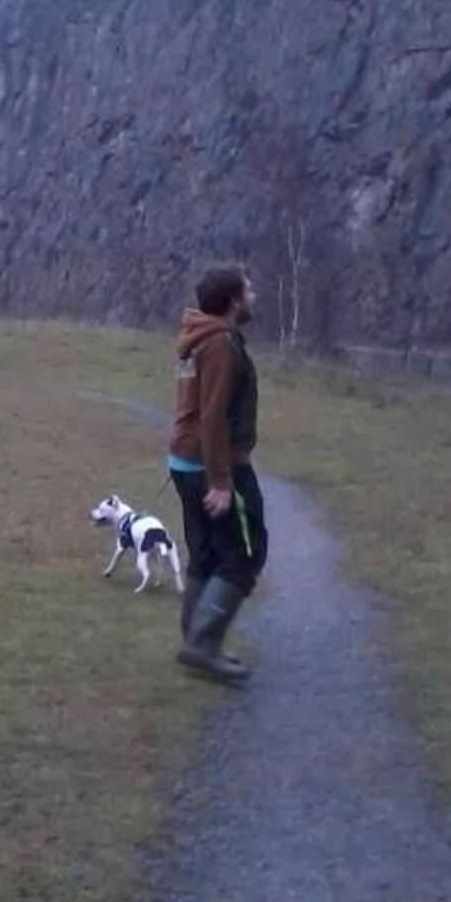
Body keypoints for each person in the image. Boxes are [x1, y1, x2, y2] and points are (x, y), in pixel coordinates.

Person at [167, 263, 268, 684]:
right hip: (215, 464)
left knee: (206, 553)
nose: (254, 295)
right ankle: (204, 645)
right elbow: (213, 418)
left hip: (185, 462)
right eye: (249, 289)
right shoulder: (222, 344)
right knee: (245, 554)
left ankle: (195, 640)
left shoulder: (199, 339)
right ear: (232, 301)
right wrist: (222, 482)